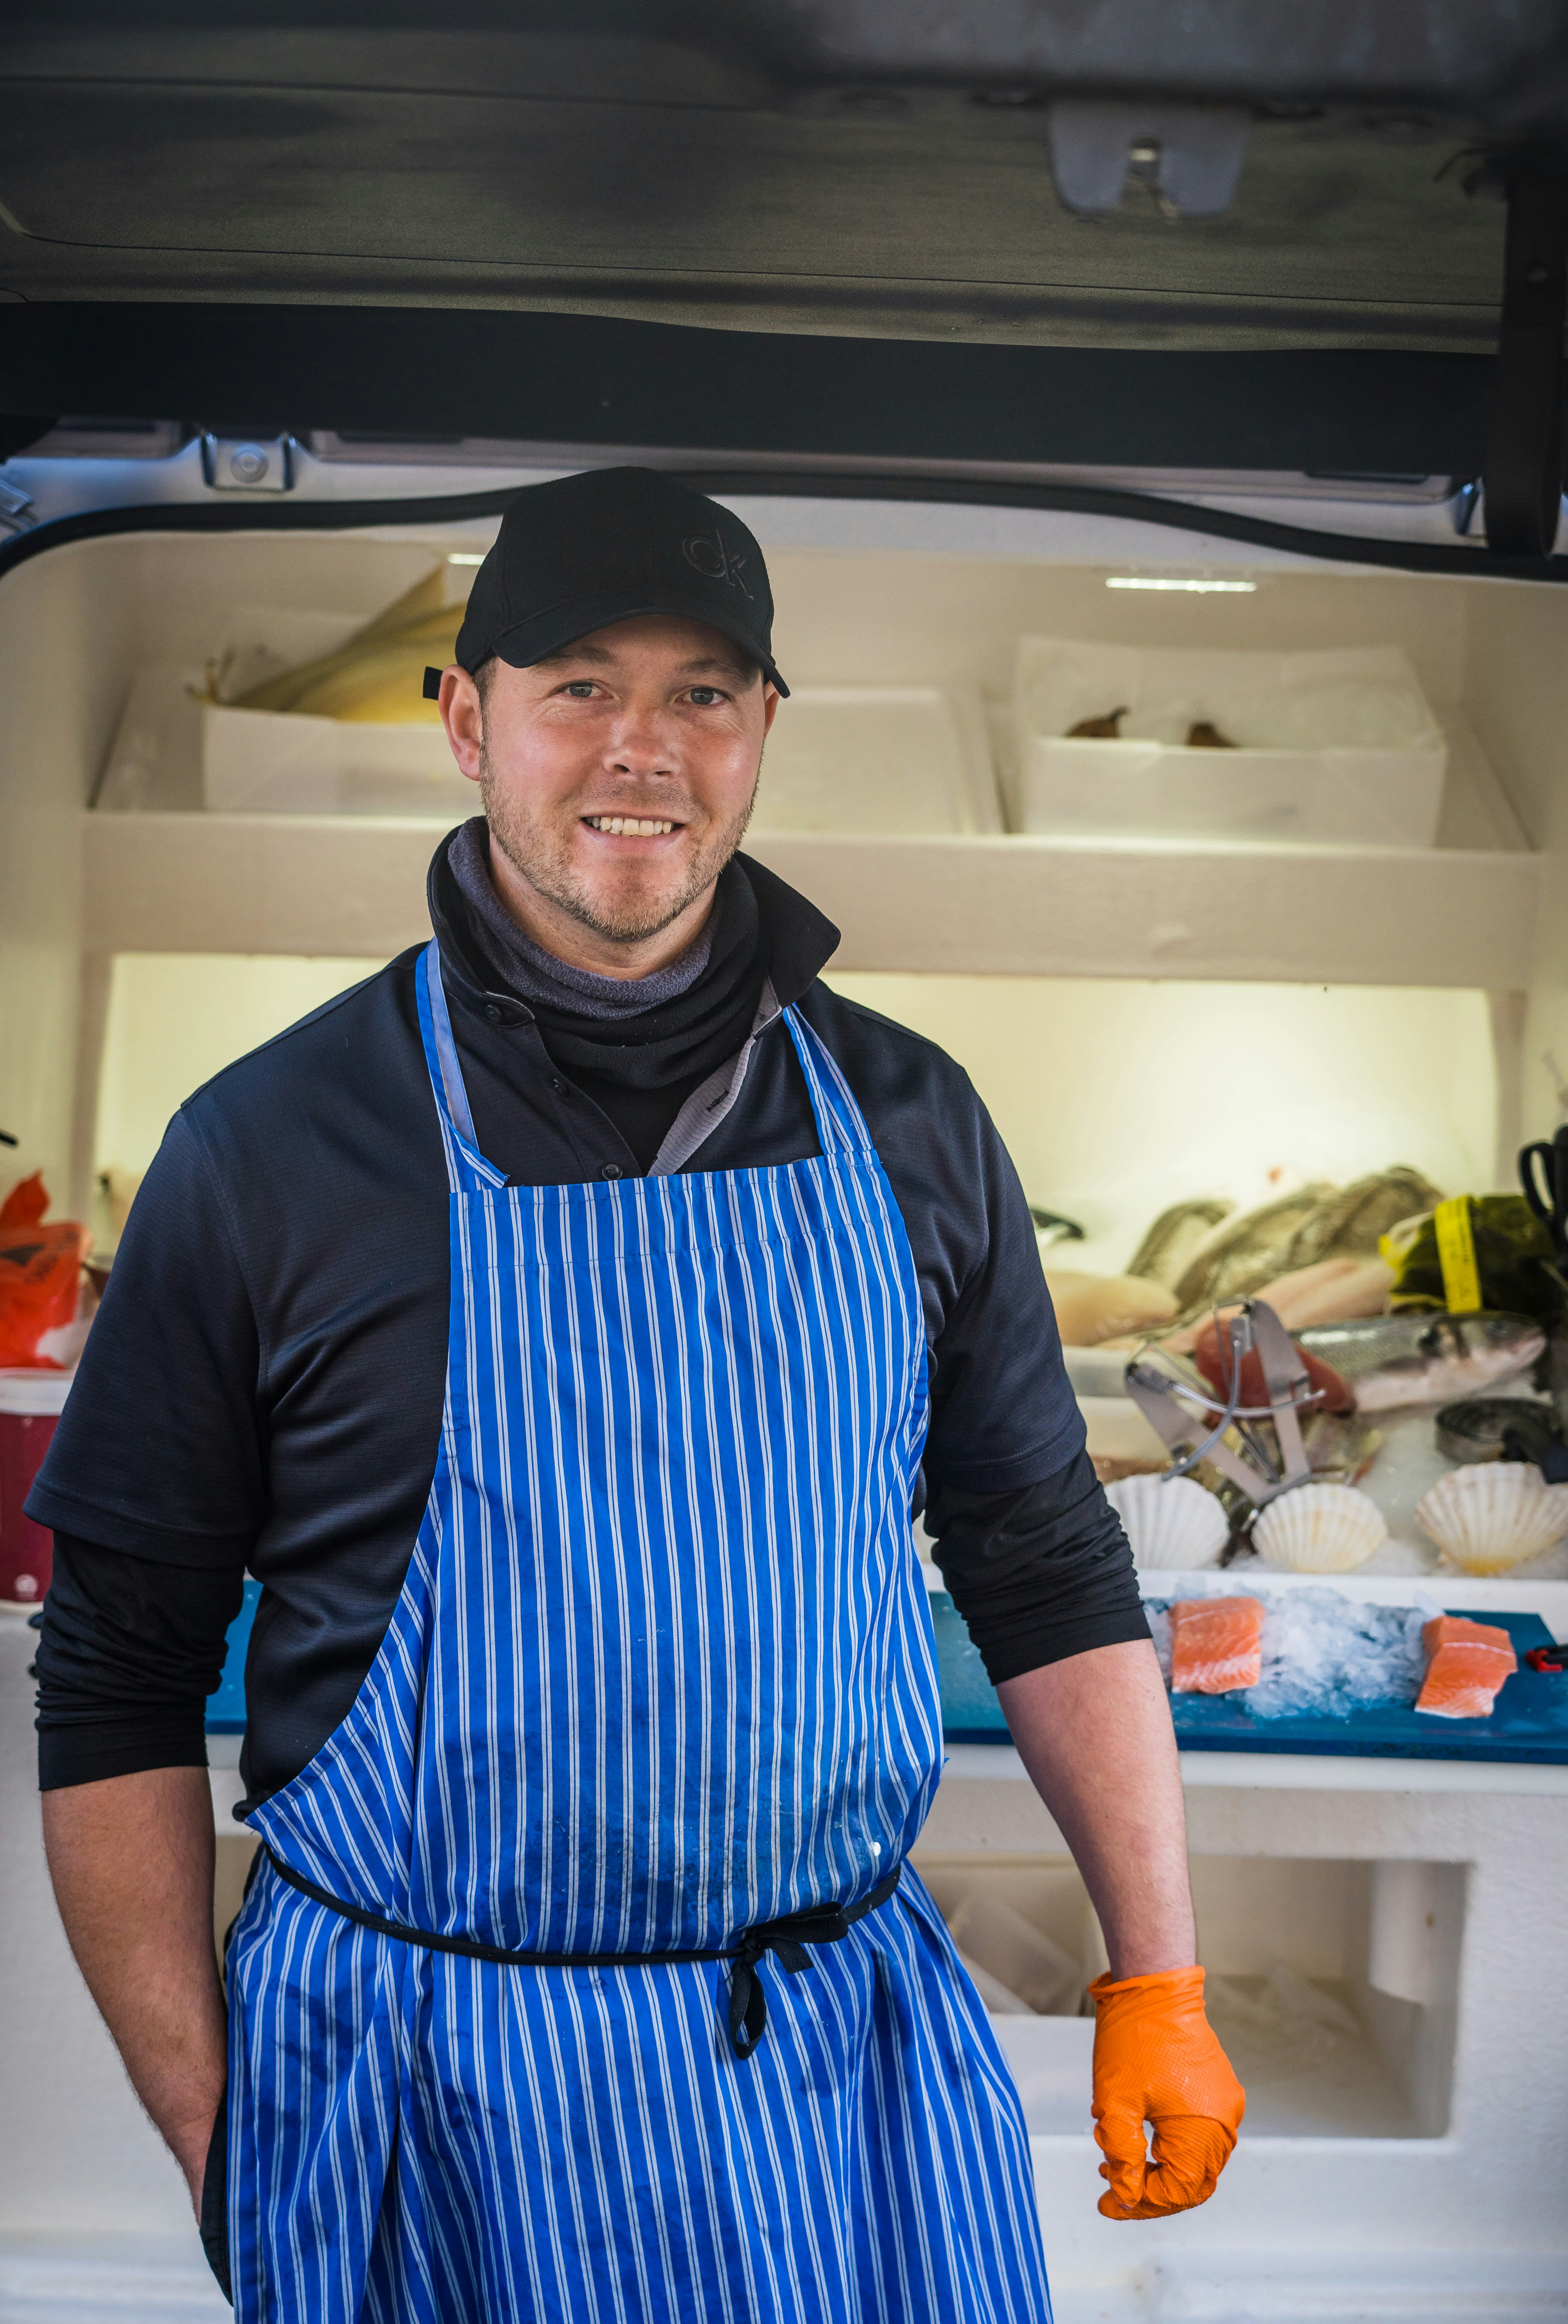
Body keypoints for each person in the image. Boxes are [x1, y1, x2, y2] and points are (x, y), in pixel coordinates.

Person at [33, 466, 1242, 2322]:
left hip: (830, 2085)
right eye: (579, 685)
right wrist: (221, 2123)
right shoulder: (269, 1148)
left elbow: (1038, 1552)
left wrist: (1154, 1972)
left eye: (701, 693)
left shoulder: (908, 1119)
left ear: (762, 732)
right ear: (466, 716)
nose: (640, 750)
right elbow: (118, 1665)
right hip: (420, 2094)